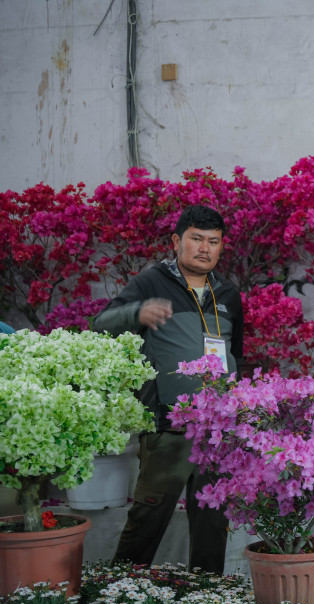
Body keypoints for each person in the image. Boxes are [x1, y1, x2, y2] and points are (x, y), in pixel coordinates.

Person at [93, 204, 244, 573]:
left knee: (213, 522)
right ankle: (117, 591)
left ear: (222, 246)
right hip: (168, 428)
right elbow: (99, 325)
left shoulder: (227, 293)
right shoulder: (151, 282)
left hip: (219, 433)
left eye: (214, 241)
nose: (205, 248)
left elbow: (235, 352)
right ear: (177, 241)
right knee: (149, 516)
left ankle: (207, 596)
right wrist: (136, 313)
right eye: (196, 239)